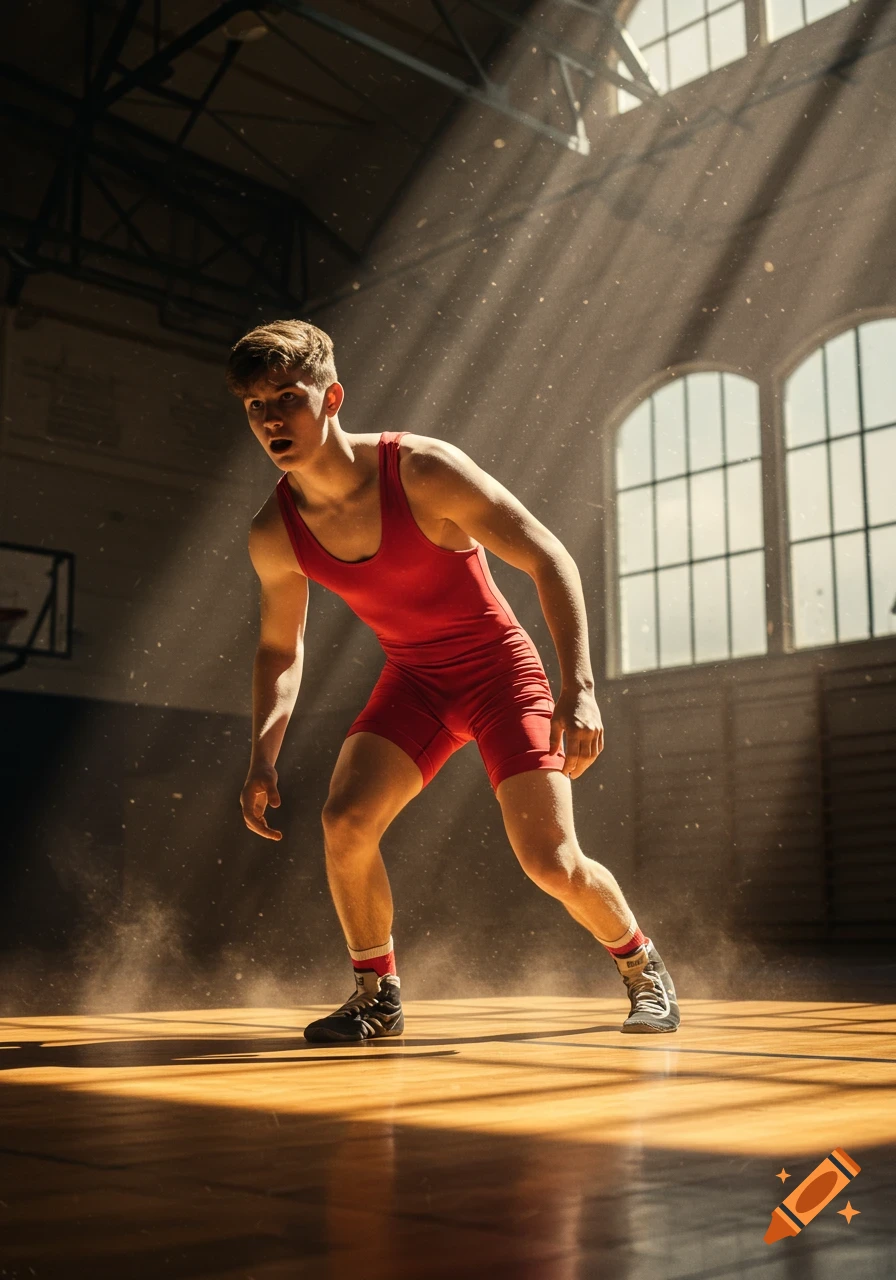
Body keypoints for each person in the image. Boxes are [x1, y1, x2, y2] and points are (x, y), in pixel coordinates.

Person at [228, 320, 680, 1043]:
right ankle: (378, 996)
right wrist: (262, 756)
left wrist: (580, 688)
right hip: (417, 683)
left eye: (287, 396)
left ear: (333, 396)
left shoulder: (422, 469)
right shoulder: (274, 531)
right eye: (255, 407)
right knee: (345, 824)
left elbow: (547, 556)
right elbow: (280, 650)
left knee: (551, 863)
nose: (272, 418)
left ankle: (643, 968)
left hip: (501, 672)